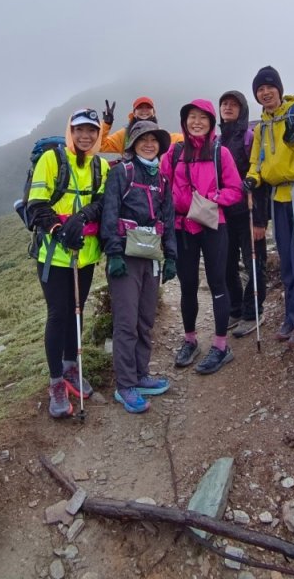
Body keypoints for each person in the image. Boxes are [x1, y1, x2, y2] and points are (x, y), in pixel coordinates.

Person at [25, 108, 110, 418]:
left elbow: (102, 202)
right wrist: (59, 230)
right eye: (79, 130)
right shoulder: (51, 160)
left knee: (77, 310)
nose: (85, 136)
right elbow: (36, 205)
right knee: (58, 314)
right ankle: (56, 382)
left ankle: (71, 367)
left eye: (91, 131)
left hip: (84, 255)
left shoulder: (101, 166)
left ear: (98, 134)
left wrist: (83, 216)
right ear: (70, 132)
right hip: (53, 254)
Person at [244, 67, 294, 346]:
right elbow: (256, 162)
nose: (265, 93)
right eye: (260, 89)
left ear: (279, 89)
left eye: (270, 87)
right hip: (278, 197)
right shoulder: (261, 127)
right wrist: (252, 178)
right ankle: (291, 318)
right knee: (288, 261)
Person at [100, 120, 177, 414]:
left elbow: (168, 219)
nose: (149, 144)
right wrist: (113, 253)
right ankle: (125, 385)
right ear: (132, 144)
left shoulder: (163, 180)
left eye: (153, 140)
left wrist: (171, 257)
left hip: (151, 256)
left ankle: (141, 375)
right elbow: (110, 213)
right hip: (125, 257)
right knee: (126, 321)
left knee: (145, 319)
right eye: (142, 139)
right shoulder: (121, 173)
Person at [161, 99, 243, 374]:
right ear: (184, 122)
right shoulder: (174, 153)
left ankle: (221, 346)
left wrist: (212, 198)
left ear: (211, 122)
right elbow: (161, 187)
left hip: (213, 225)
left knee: (218, 283)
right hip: (182, 227)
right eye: (191, 117)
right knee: (188, 285)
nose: (197, 122)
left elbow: (235, 189)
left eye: (203, 118)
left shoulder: (220, 153)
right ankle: (190, 340)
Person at [217, 90, 269, 339]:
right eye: (224, 104)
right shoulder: (218, 141)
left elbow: (260, 180)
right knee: (227, 265)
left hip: (248, 213)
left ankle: (253, 312)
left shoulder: (250, 137)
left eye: (233, 105)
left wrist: (260, 220)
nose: (228, 107)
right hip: (225, 215)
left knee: (254, 263)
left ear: (242, 110)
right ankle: (236, 308)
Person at [100, 96, 184, 154]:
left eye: (148, 107)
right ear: (134, 113)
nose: (144, 110)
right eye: (140, 107)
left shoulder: (160, 134)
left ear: (154, 112)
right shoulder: (124, 135)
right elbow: (101, 145)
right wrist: (106, 124)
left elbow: (183, 139)